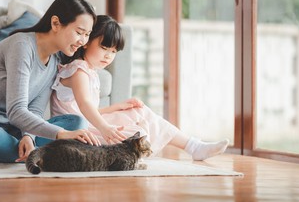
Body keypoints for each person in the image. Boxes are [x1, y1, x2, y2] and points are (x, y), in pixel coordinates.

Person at [0, 0, 102, 164]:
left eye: (87, 34)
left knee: (77, 123)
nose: (83, 41)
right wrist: (61, 134)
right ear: (56, 23)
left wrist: (28, 136)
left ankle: (5, 153)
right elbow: (16, 111)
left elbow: (35, 110)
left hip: (12, 133)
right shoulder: (22, 46)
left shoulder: (55, 60)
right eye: (79, 32)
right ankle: (32, 154)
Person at [50, 15, 229, 160]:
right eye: (104, 47)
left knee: (140, 113)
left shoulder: (90, 71)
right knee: (138, 134)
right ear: (86, 42)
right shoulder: (77, 70)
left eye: (113, 51)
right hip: (77, 133)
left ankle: (194, 146)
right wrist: (106, 127)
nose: (108, 56)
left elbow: (89, 110)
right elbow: (85, 107)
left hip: (89, 124)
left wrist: (117, 107)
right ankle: (121, 156)